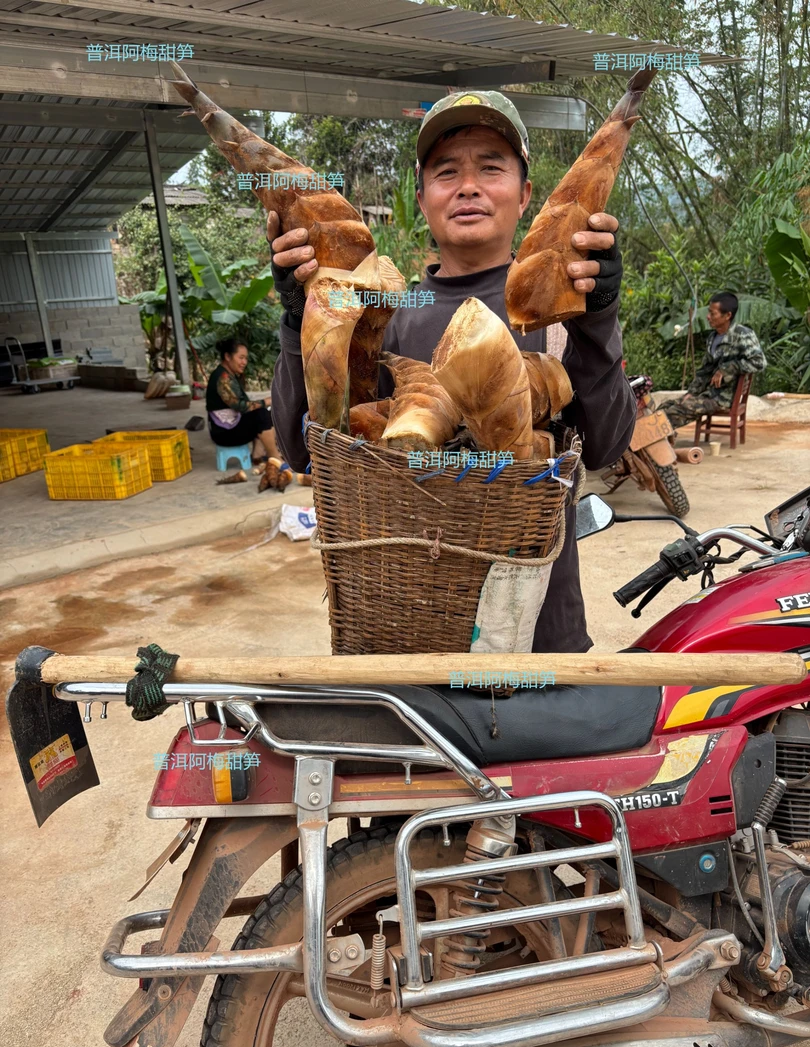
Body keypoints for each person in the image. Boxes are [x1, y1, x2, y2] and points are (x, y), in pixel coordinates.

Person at [269, 90, 636, 653]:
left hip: (540, 629)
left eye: (491, 168)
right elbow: (303, 449)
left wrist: (598, 311)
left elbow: (608, 444)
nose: (468, 185)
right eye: (447, 172)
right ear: (421, 199)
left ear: (525, 195)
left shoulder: (557, 311)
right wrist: (301, 321)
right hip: (409, 624)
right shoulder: (380, 315)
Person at [663, 292, 766, 431]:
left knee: (675, 411)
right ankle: (660, 440)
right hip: (706, 394)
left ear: (727, 315)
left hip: (723, 398)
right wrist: (691, 393)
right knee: (665, 407)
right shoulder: (712, 337)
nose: (708, 316)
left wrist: (727, 368)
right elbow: (705, 370)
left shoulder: (743, 335)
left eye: (712, 313)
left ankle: (656, 443)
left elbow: (760, 362)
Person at [206, 337, 278, 461]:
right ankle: (276, 458)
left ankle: (258, 454)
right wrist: (265, 401)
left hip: (229, 427)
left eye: (245, 358)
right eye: (241, 357)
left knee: (262, 413)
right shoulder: (223, 378)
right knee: (261, 415)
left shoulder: (229, 375)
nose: (244, 362)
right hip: (223, 433)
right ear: (228, 357)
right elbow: (241, 406)